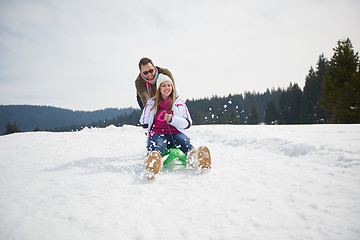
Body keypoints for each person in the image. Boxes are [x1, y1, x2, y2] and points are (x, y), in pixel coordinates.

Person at [139, 74, 211, 180]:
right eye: (163, 85)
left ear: (172, 87)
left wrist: (172, 120)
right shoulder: (151, 104)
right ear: (159, 88)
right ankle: (154, 162)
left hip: (176, 133)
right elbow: (143, 122)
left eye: (169, 85)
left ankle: (196, 158)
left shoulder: (180, 103)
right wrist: (148, 112)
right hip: (158, 133)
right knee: (158, 145)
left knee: (184, 142)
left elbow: (187, 123)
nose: (167, 88)